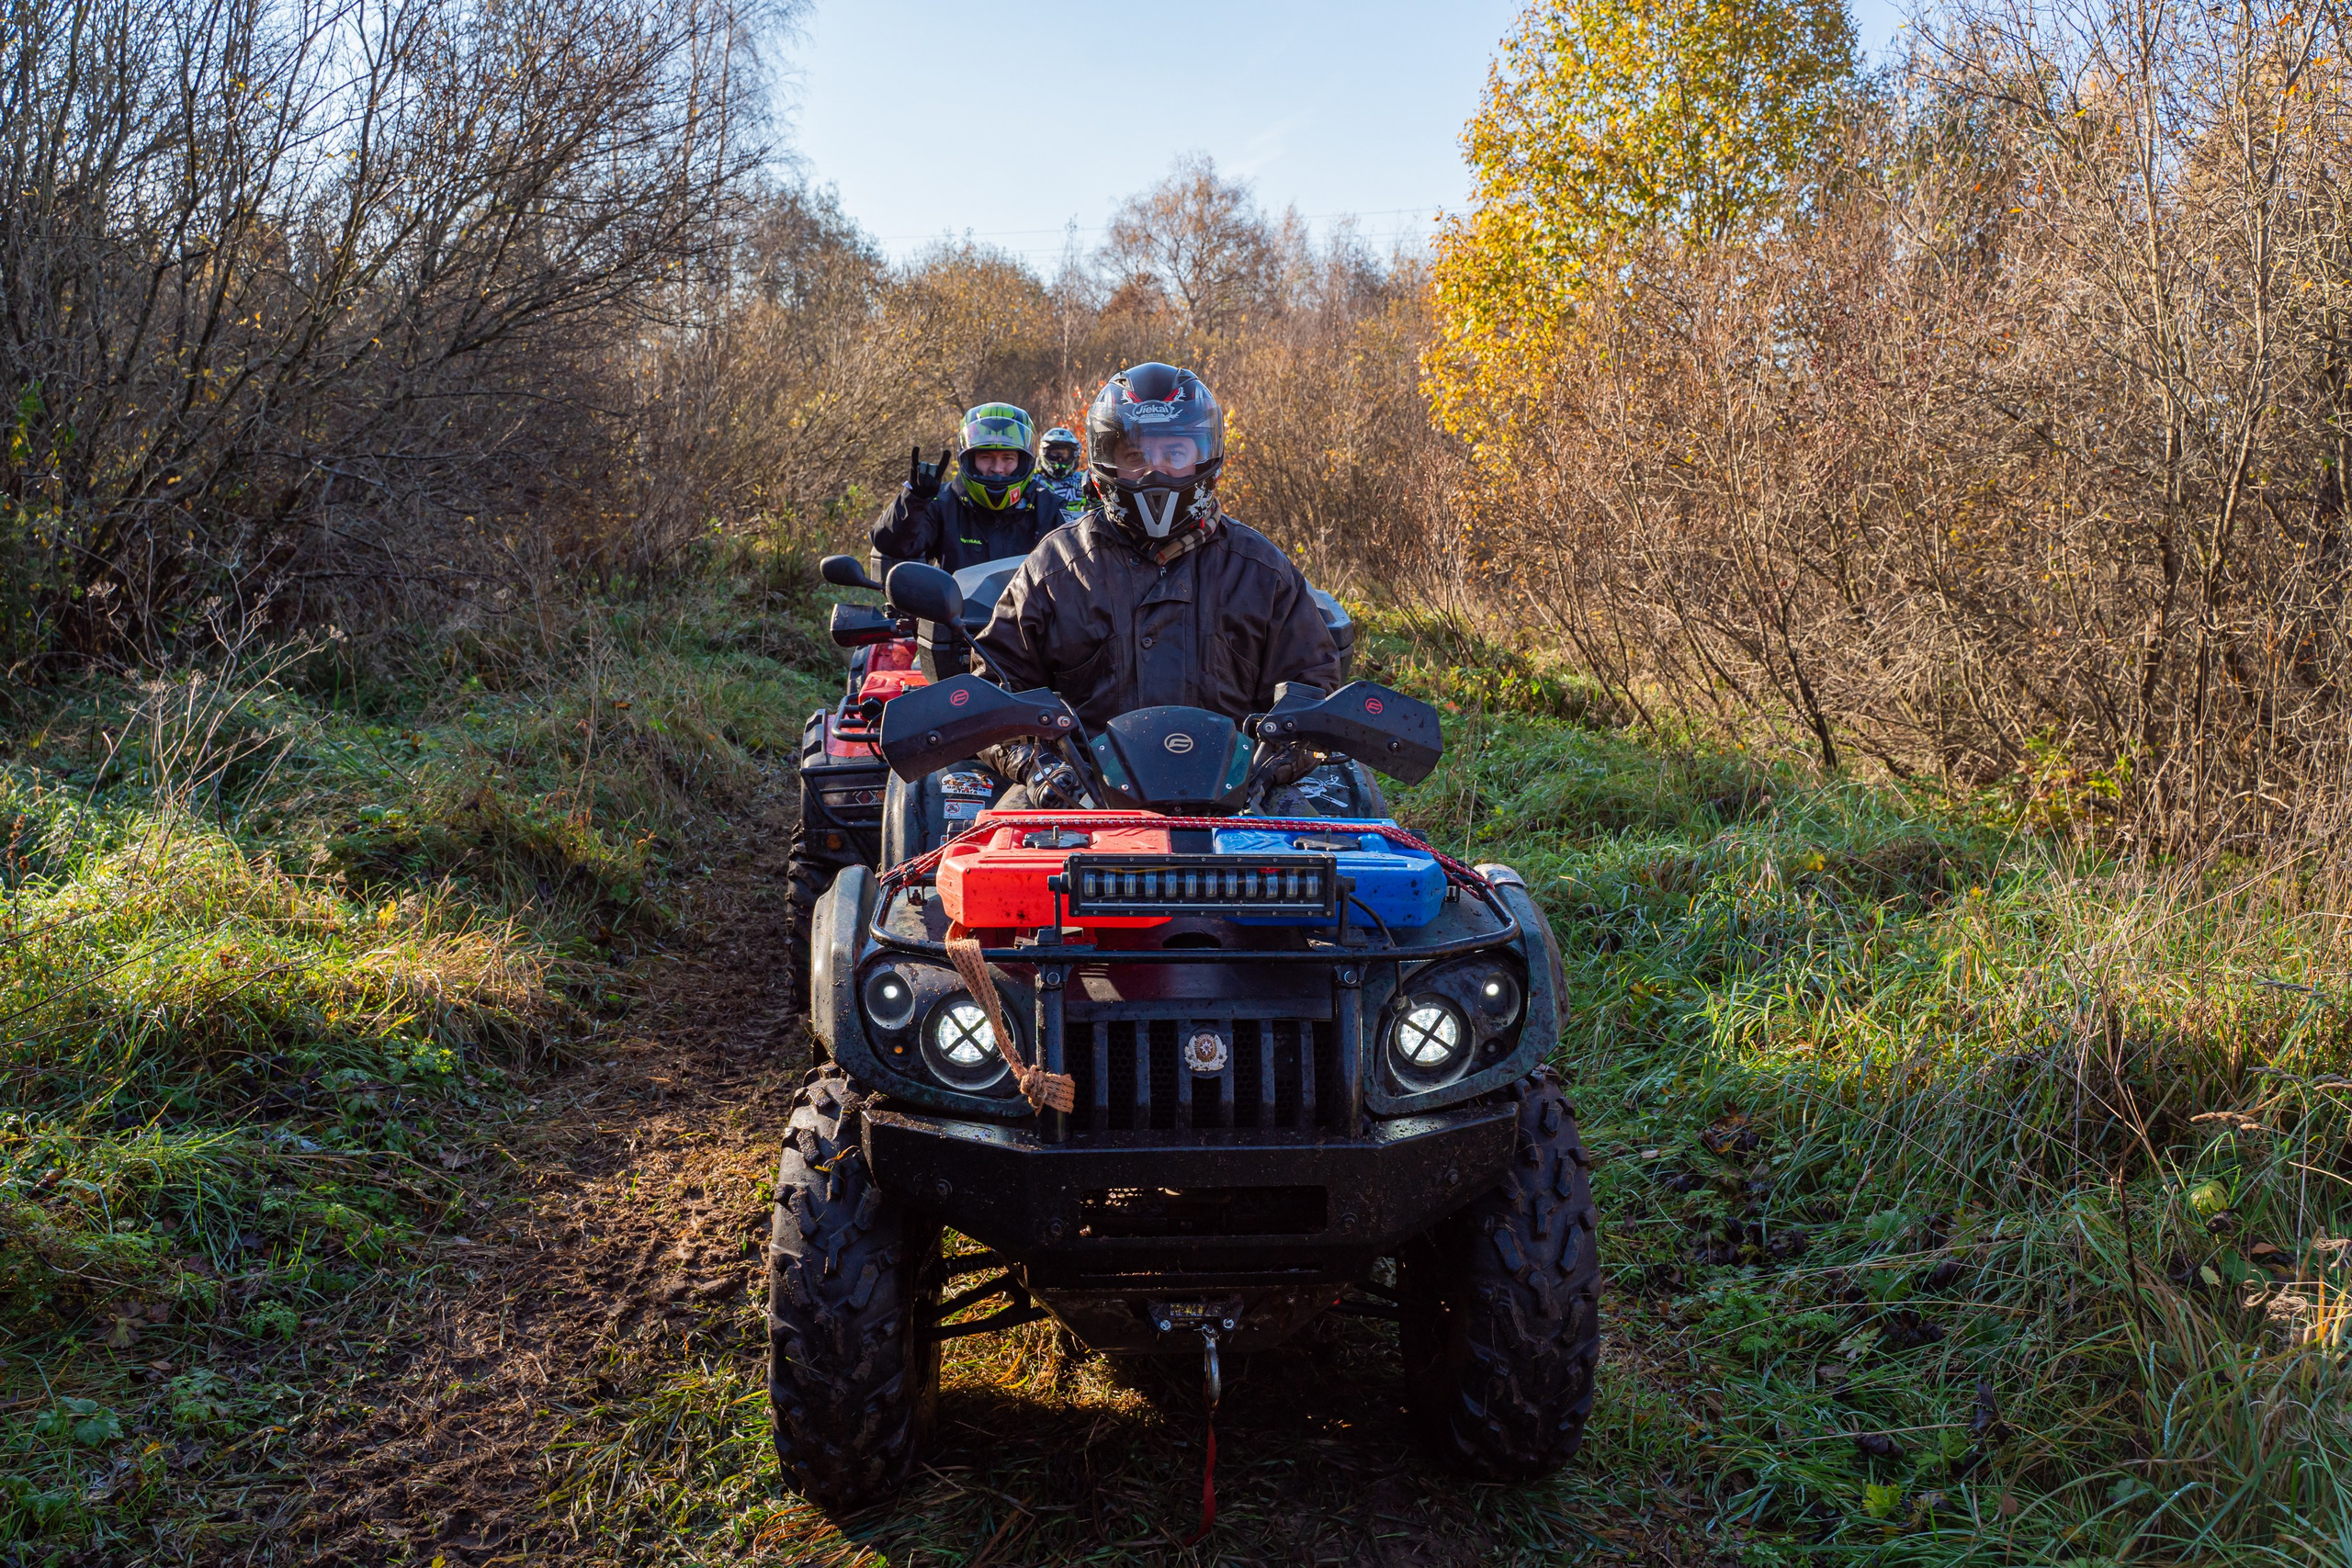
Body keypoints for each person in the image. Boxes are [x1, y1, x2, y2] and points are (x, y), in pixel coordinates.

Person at [972, 363, 1340, 804]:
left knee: (1340, 854)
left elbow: (1312, 690)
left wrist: (1273, 766)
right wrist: (1039, 767)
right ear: (1107, 461)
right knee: (992, 857)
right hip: (1083, 798)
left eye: (1175, 454)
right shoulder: (1055, 568)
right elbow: (994, 690)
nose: (1155, 471)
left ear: (1205, 456)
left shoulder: (1262, 570)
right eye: (1136, 457)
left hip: (1242, 800)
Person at [869, 403, 1064, 573]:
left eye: (1008, 459)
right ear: (969, 460)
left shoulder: (1048, 509)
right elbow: (889, 545)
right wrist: (914, 500)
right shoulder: (943, 504)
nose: (997, 469)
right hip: (953, 615)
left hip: (1029, 616)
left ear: (1024, 462)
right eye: (985, 458)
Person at [1033, 425, 1087, 525]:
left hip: (1077, 533)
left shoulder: (1083, 481)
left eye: (1064, 454)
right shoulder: (1032, 481)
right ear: (1044, 452)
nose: (1060, 459)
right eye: (1055, 453)